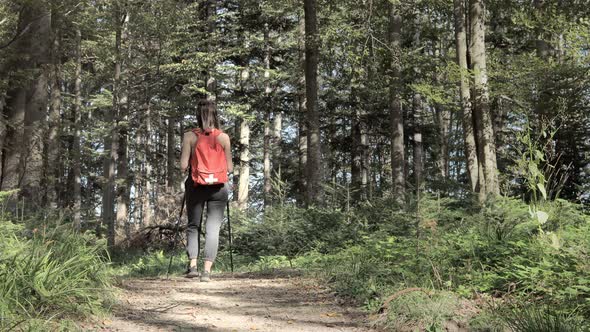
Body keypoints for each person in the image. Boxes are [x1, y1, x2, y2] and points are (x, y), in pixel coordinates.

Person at [180, 99, 233, 282]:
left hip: (196, 185)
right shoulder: (223, 137)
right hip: (218, 188)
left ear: (197, 114)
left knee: (194, 226)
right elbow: (230, 167)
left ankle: (192, 267)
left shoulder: (189, 136)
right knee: (213, 229)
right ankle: (207, 272)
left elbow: (182, 165)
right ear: (215, 114)